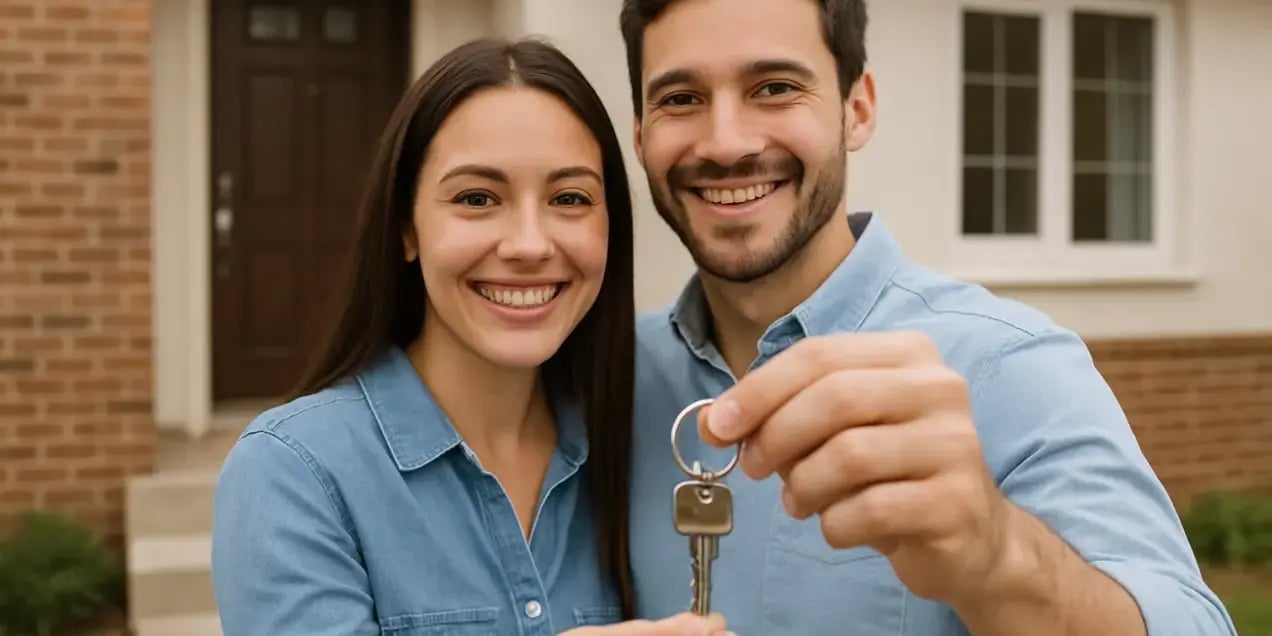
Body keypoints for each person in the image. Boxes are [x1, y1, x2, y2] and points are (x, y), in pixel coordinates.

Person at [618, 0, 1238, 634]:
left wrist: (997, 556)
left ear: (856, 111)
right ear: (640, 134)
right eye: (681, 99)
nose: (726, 144)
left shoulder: (1008, 365)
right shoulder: (606, 378)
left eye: (774, 88)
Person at [210, 37, 728, 636]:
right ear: (407, 227)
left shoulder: (641, 446)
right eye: (477, 198)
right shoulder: (295, 474)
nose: (530, 245)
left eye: (570, 198)